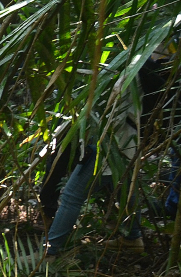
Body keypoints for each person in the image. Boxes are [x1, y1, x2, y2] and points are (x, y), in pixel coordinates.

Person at [41, 87, 143, 260]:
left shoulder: (126, 68)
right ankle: (133, 238)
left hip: (109, 144)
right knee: (124, 189)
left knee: (72, 196)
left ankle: (49, 252)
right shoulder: (138, 67)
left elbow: (111, 113)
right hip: (127, 142)